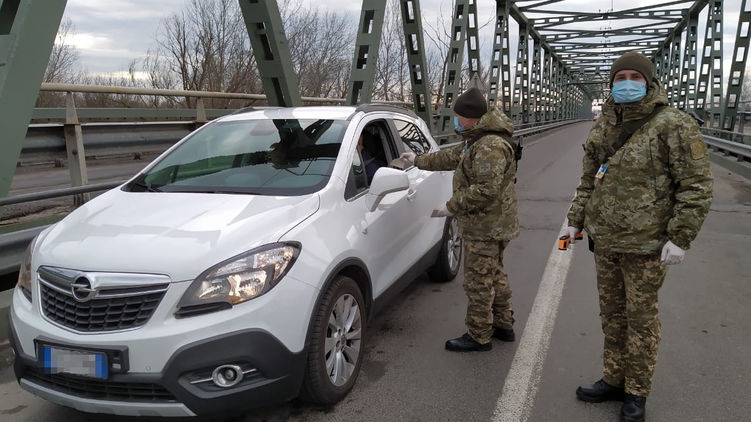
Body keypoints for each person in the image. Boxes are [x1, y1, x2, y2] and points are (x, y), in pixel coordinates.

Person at [566, 51, 713, 422]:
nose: (627, 82)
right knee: (612, 316)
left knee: (641, 320)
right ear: (611, 84)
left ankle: (636, 393)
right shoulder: (604, 126)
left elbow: (696, 185)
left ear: (648, 81)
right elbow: (589, 179)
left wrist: (680, 236)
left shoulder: (673, 124)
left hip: (647, 246)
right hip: (606, 242)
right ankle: (614, 379)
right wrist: (575, 219)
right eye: (620, 77)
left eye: (634, 76)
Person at [400, 87, 519, 352]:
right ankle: (503, 325)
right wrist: (417, 160)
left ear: (470, 117)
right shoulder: (477, 140)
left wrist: (451, 206)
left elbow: (486, 190)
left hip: (486, 225)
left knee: (478, 282)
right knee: (494, 274)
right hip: (492, 222)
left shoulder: (489, 146)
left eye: (457, 115)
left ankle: (479, 335)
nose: (454, 120)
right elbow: (452, 157)